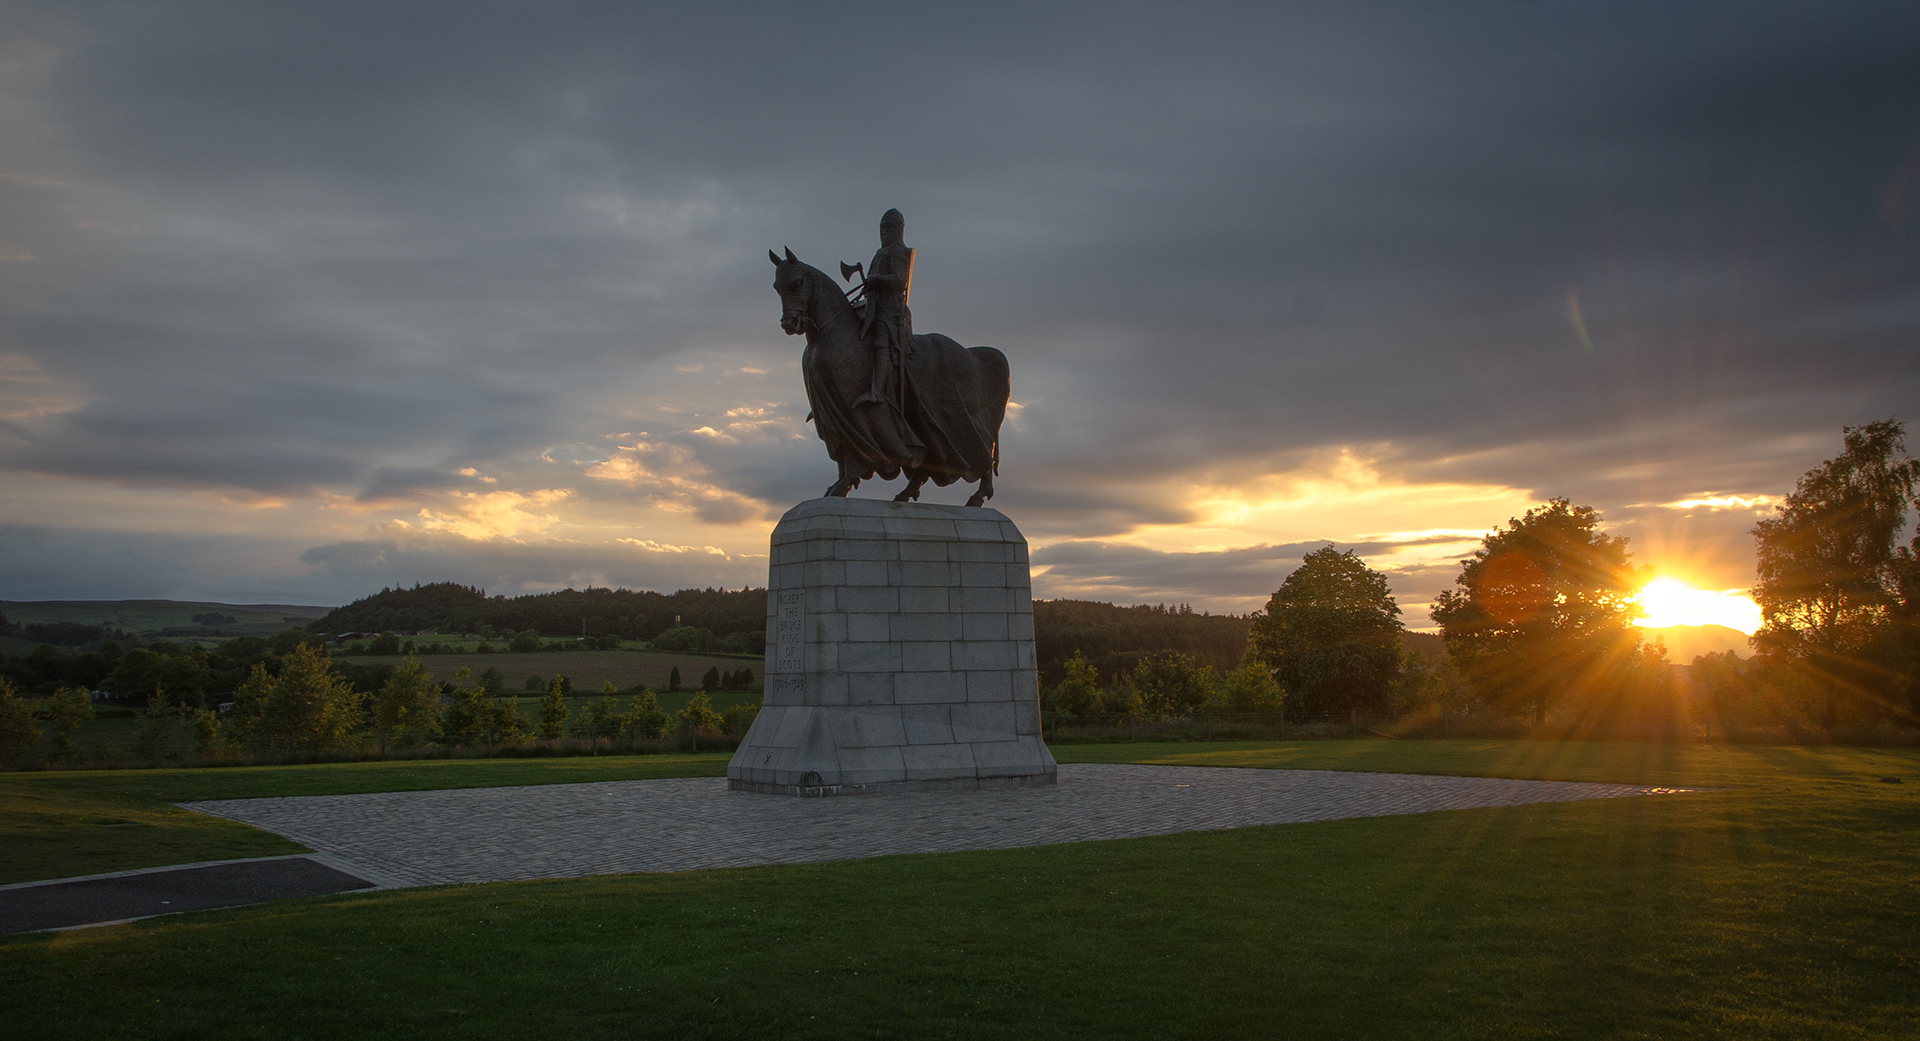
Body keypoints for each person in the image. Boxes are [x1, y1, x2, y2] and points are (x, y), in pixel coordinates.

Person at [856, 208, 914, 410]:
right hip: (873, 304)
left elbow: (900, 280)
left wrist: (877, 280)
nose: (886, 231)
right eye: (883, 227)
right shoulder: (880, 253)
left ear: (900, 230)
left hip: (889, 308)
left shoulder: (897, 251)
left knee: (881, 340)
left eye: (890, 227)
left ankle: (878, 390)